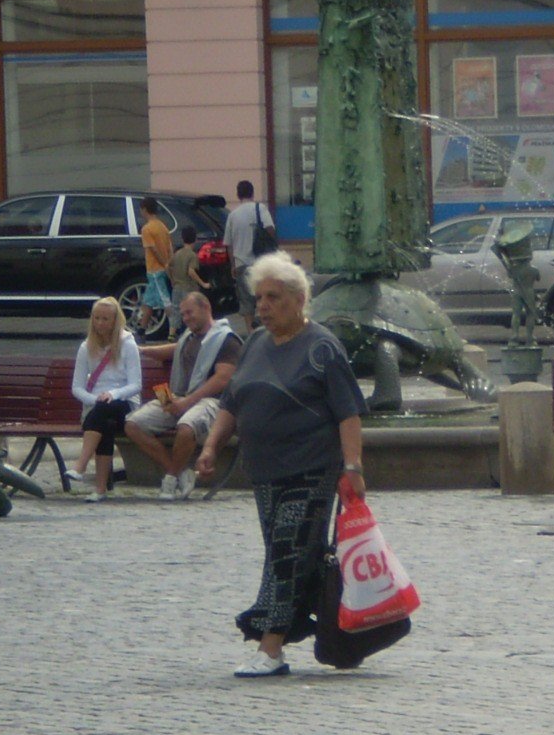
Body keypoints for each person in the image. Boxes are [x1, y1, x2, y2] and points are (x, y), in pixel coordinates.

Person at [197, 253, 385, 678]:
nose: (262, 306)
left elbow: (348, 413)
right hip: (264, 473)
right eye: (259, 297)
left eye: (273, 297)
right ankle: (347, 632)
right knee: (297, 557)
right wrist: (211, 446)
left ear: (299, 300)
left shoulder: (322, 347)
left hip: (311, 470)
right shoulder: (255, 345)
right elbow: (232, 402)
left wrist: (352, 467)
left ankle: (270, 649)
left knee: (286, 555)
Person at [124, 289, 241, 500]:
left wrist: (187, 402)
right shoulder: (190, 336)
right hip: (178, 396)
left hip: (211, 402)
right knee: (133, 424)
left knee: (187, 428)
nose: (185, 318)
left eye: (190, 313)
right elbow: (174, 349)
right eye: (183, 314)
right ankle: (178, 471)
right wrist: (141, 351)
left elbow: (223, 378)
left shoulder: (226, 340)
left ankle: (169, 480)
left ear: (206, 308)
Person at [69, 296, 141, 502]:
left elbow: (136, 384)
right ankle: (100, 488)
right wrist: (93, 399)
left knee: (105, 410)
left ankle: (80, 465)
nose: (100, 323)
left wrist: (113, 395)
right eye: (96, 318)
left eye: (105, 319)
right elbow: (76, 387)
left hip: (125, 401)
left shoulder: (128, 344)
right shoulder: (86, 347)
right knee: (105, 422)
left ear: (115, 320)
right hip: (96, 405)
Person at [223, 180, 275, 330]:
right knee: (264, 298)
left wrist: (233, 265)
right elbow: (270, 229)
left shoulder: (232, 215)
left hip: (241, 264)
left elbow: (229, 244)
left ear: (238, 195)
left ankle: (251, 334)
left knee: (246, 304)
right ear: (252, 193)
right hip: (260, 263)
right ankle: (265, 331)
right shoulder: (260, 209)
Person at [135, 196, 174, 338]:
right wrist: (169, 263)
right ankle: (141, 330)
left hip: (154, 270)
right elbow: (169, 247)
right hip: (161, 269)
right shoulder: (162, 226)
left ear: (145, 209)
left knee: (165, 301)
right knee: (148, 302)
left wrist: (163, 263)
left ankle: (174, 329)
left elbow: (153, 249)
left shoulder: (147, 229)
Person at [168, 237, 206, 337]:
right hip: (188, 288)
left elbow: (167, 266)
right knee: (190, 311)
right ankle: (190, 333)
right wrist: (202, 283)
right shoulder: (192, 255)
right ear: (194, 240)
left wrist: (172, 279)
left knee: (176, 310)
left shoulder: (177, 253)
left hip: (177, 287)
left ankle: (171, 334)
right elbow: (191, 271)